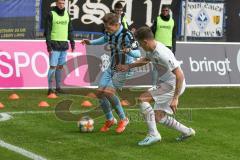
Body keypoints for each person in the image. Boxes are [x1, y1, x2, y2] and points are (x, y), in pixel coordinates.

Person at [117, 26, 195, 146]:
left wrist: (175, 98)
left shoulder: (162, 53)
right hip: (166, 83)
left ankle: (153, 134)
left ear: (145, 41)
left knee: (143, 99)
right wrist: (128, 67)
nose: (140, 46)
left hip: (173, 85)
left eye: (140, 43)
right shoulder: (151, 48)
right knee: (159, 117)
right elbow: (146, 59)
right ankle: (187, 131)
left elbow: (179, 75)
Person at [81, 13, 141, 133]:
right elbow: (104, 38)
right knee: (100, 92)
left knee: (108, 92)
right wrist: (91, 42)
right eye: (106, 28)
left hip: (124, 68)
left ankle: (124, 119)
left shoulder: (127, 35)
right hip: (112, 66)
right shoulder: (109, 33)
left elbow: (138, 54)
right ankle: (110, 119)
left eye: (108, 27)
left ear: (116, 25)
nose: (106, 30)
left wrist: (128, 51)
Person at [44, 0, 75, 95]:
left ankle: (58, 87)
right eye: (60, 3)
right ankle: (50, 89)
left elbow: (70, 29)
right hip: (54, 44)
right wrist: (48, 45)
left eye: (63, 3)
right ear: (56, 4)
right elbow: (47, 31)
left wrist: (72, 42)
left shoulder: (67, 14)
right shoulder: (51, 14)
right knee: (52, 67)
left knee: (60, 67)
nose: (61, 5)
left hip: (64, 45)